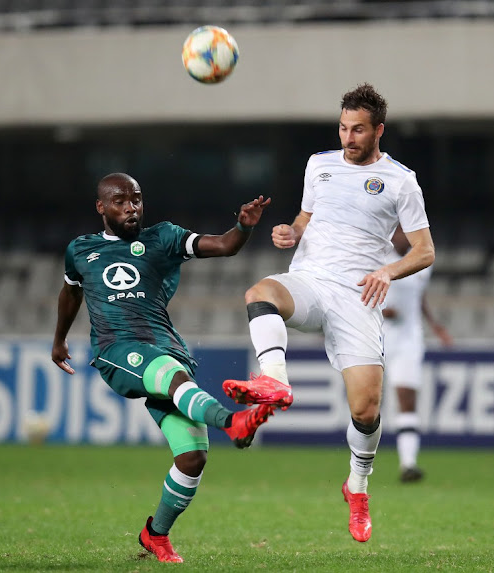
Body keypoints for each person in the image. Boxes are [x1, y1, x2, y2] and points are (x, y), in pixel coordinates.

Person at [223, 83, 435, 543]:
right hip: (312, 281)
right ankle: (274, 380)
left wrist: (387, 272)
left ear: (378, 130)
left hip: (359, 296)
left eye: (358, 129)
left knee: (367, 408)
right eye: (343, 127)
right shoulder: (318, 166)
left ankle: (357, 487)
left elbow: (424, 252)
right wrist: (290, 232)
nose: (348, 137)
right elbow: (306, 217)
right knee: (260, 291)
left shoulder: (401, 180)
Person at [51, 172, 274, 563]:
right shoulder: (81, 251)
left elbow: (224, 245)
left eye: (136, 199)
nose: (131, 207)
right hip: (116, 350)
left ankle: (155, 535)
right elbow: (71, 291)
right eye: (120, 201)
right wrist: (59, 339)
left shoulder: (164, 238)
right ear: (101, 207)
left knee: (192, 458)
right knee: (173, 378)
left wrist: (243, 226)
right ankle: (234, 423)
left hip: (166, 348)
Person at [383, 225, 453, 483]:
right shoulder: (374, 258)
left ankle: (408, 463)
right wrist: (381, 311)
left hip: (409, 339)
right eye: (397, 230)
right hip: (375, 338)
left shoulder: (423, 260)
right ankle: (359, 466)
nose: (402, 235)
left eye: (405, 231)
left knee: (407, 398)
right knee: (366, 405)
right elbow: (354, 295)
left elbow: (419, 297)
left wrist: (435, 326)